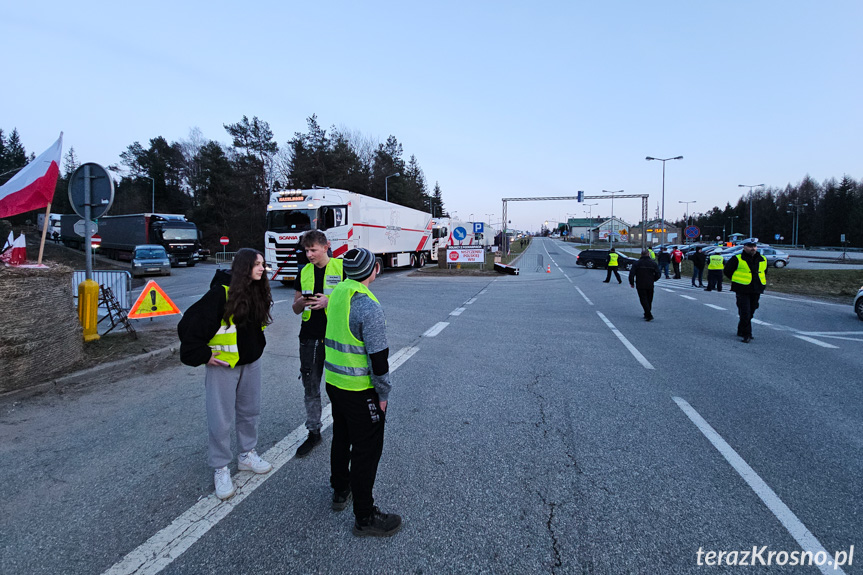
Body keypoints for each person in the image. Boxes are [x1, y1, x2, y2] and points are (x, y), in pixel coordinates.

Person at [178, 248, 274, 500]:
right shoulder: (220, 294)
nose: (262, 268)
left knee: (250, 412)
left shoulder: (257, 290)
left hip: (251, 363)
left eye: (263, 264)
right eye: (256, 265)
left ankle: (246, 455)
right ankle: (220, 468)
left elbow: (257, 326)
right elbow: (188, 325)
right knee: (220, 420)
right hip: (223, 367)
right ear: (243, 267)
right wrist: (203, 355)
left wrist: (256, 347)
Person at [325, 248, 401, 537]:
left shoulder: (338, 294)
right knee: (367, 451)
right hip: (360, 390)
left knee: (342, 437)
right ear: (375, 270)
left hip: (335, 383)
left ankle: (340, 489)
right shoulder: (368, 306)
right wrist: (383, 395)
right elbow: (379, 360)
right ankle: (365, 517)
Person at [291, 231, 344, 458]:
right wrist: (300, 302)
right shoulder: (303, 272)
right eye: (306, 250)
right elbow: (295, 309)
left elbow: (354, 299)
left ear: (326, 247)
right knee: (311, 387)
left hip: (336, 336)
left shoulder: (342, 268)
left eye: (313, 249)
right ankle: (314, 433)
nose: (309, 254)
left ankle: (344, 428)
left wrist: (328, 301)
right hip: (309, 337)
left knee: (340, 386)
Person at [724, 241, 767, 343]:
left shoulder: (762, 259)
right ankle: (747, 334)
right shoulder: (737, 258)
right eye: (750, 246)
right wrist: (737, 281)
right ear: (744, 248)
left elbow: (764, 272)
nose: (753, 248)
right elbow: (727, 271)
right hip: (742, 289)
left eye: (754, 246)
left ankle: (741, 329)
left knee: (752, 310)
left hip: (756, 288)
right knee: (745, 312)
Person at [629, 249, 661, 321]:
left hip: (640, 283)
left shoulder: (637, 263)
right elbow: (658, 274)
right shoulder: (653, 263)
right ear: (648, 254)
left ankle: (648, 314)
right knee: (649, 299)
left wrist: (631, 282)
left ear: (641, 254)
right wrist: (654, 279)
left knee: (643, 299)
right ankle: (647, 313)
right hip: (650, 283)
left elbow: (632, 274)